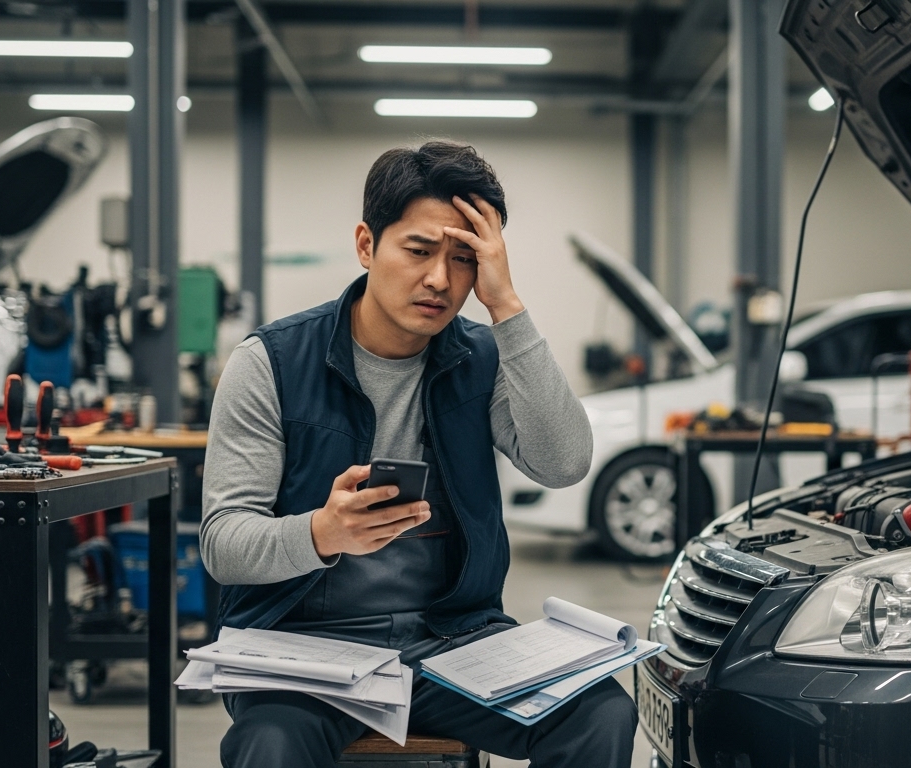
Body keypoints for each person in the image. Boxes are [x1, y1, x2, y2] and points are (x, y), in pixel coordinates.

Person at [201, 141, 637, 768]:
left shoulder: (481, 358)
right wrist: (322, 533)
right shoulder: (270, 363)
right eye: (419, 250)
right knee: (269, 744)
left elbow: (564, 462)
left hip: (452, 642)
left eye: (464, 259)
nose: (440, 279)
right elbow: (222, 543)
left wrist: (507, 307)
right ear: (366, 245)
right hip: (300, 648)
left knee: (599, 713)